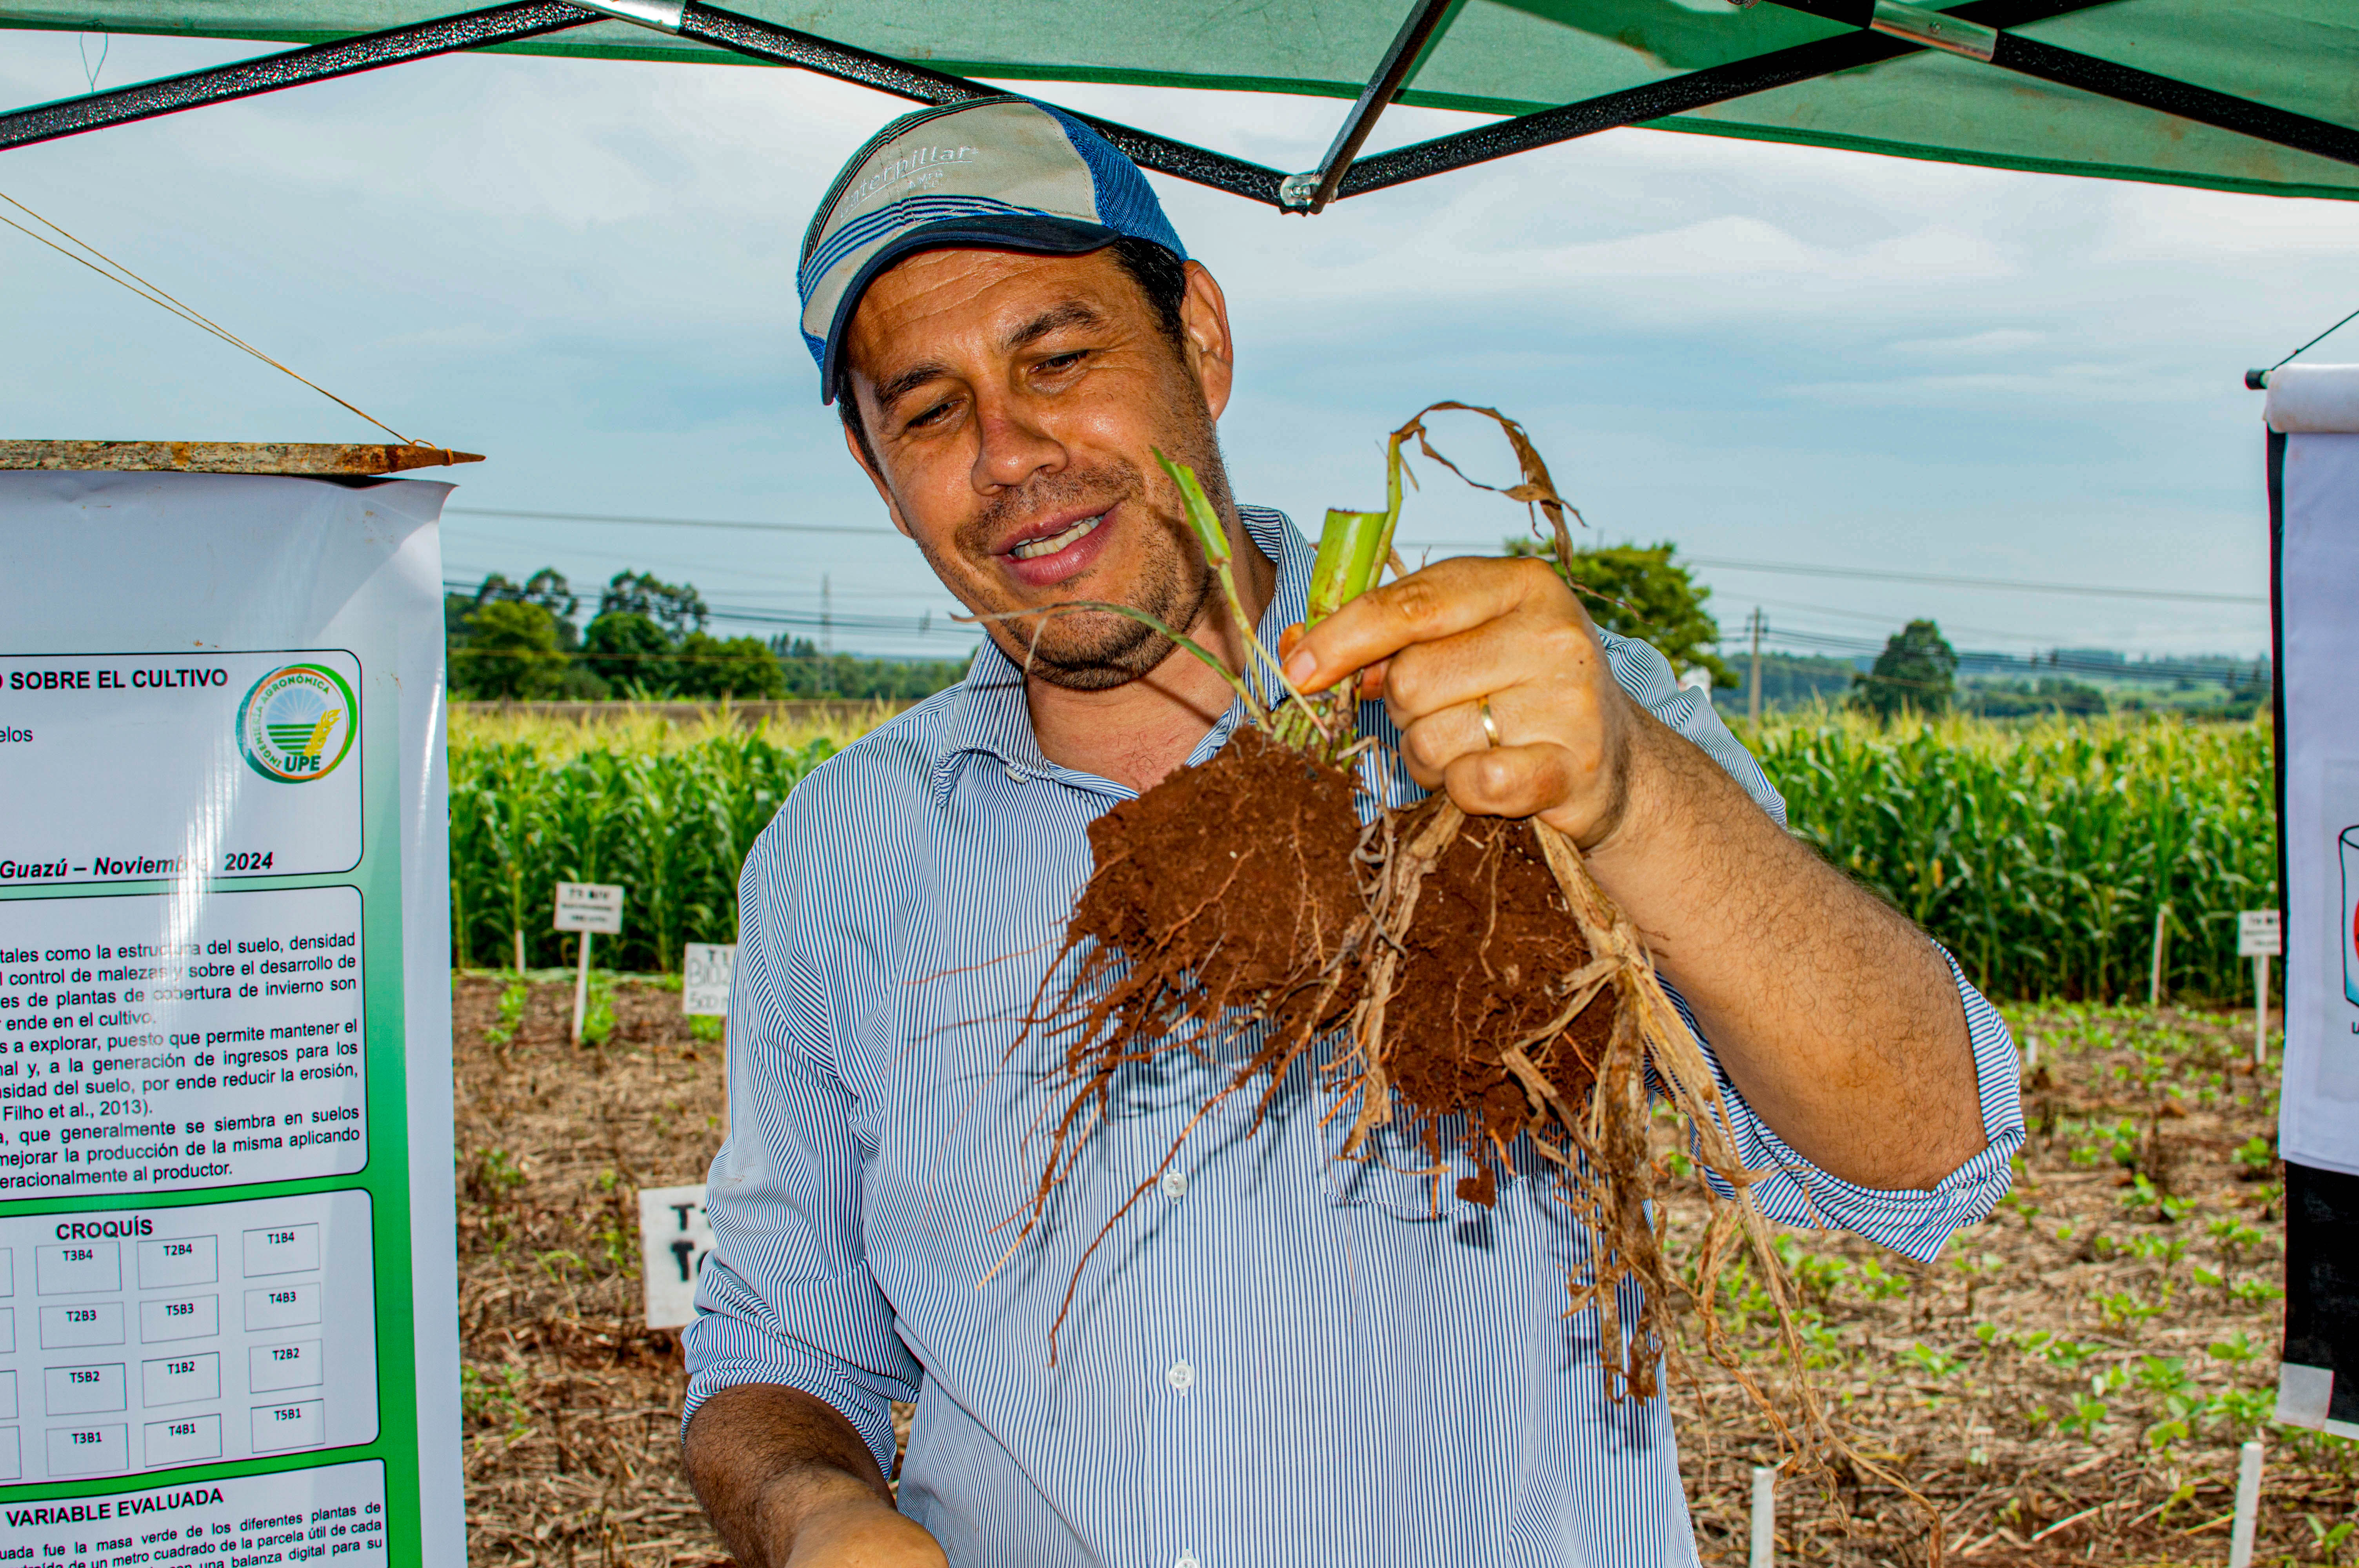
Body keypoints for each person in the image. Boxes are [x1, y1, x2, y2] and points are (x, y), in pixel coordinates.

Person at [682, 96, 2022, 1568]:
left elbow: (1928, 1154)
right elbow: (774, 1339)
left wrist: (1636, 795)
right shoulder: (841, 855)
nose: (1010, 454)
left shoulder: (1537, 730)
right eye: (928, 413)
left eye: (1059, 359)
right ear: (881, 476)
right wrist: (814, 1515)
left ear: (1200, 338)